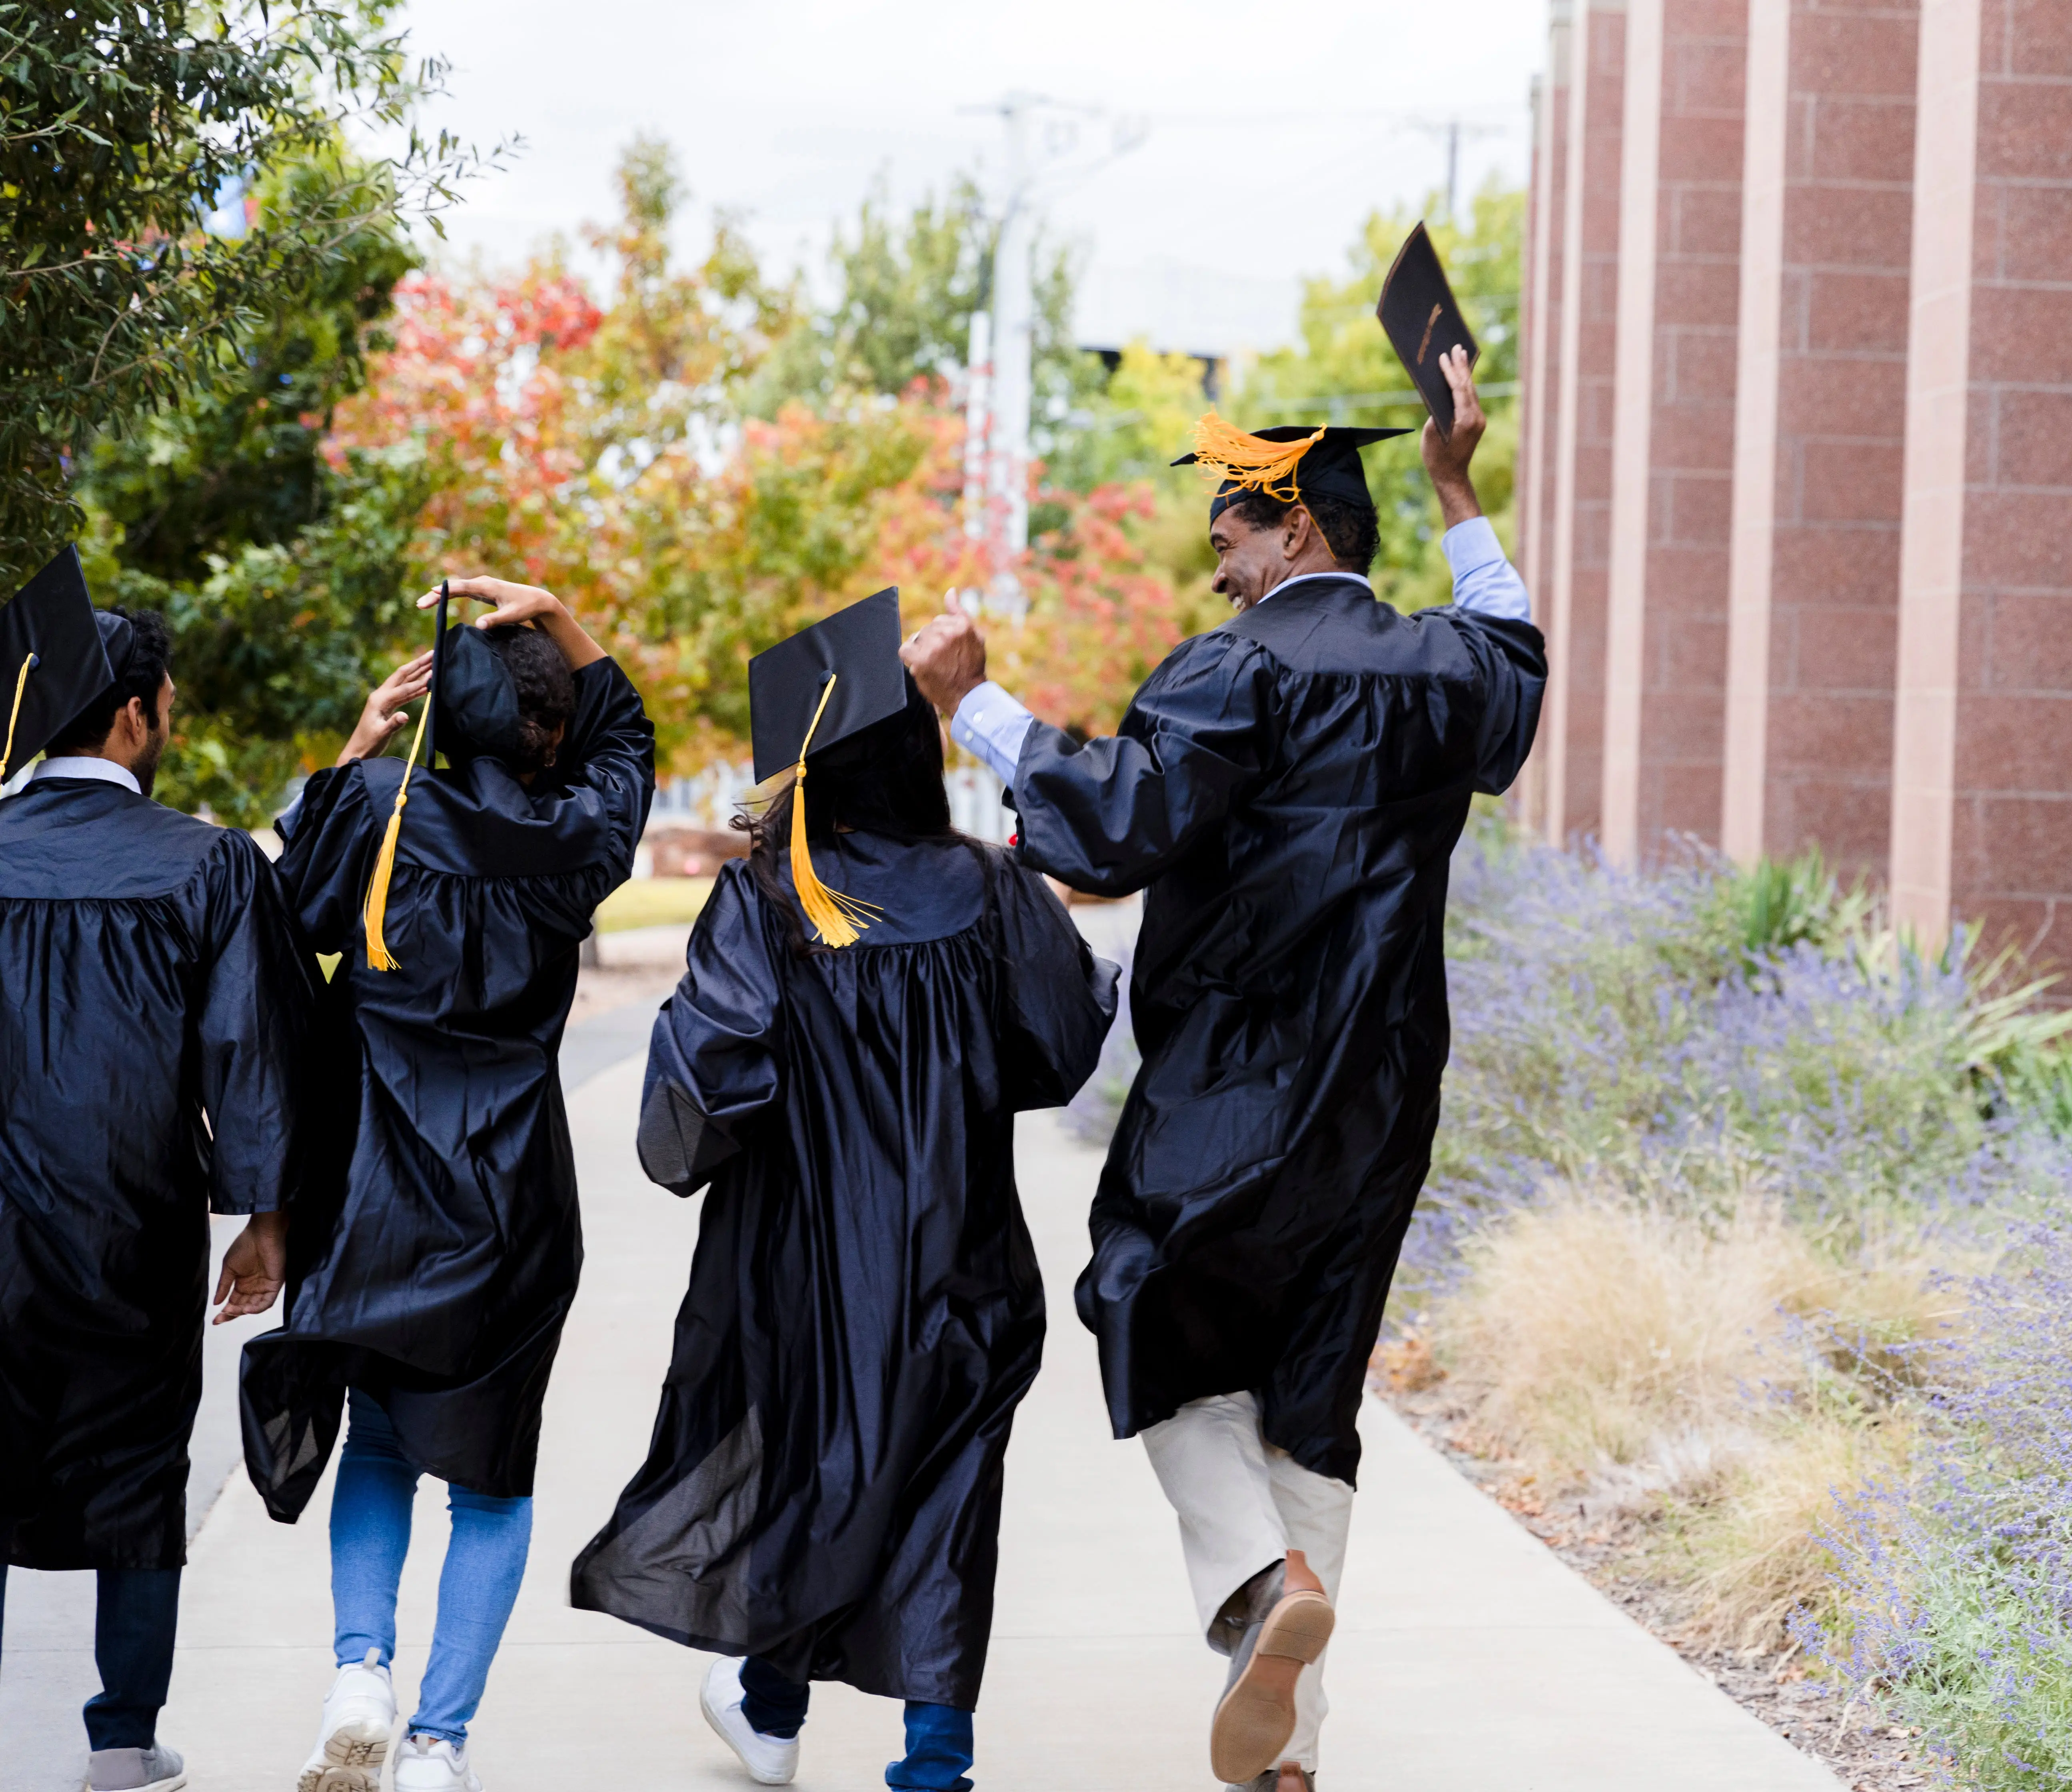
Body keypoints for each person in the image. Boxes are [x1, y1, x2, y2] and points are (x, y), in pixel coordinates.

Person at [902, 348, 1545, 1790]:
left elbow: (1117, 828)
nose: (1218, 575)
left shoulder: (1238, 668)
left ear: (1294, 527)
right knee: (1311, 1391)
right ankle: (1286, 1761)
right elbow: (1516, 650)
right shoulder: (1447, 667)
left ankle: (1260, 1585)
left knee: (1145, 1295)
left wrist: (978, 709)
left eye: (1230, 539)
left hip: (1235, 1079)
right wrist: (1456, 487)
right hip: (1384, 1093)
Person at [571, 591, 1118, 1792]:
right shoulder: (991, 888)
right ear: (914, 754)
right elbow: (1063, 1046)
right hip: (965, 1256)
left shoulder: (769, 904)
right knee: (948, 1495)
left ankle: (770, 1701)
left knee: (819, 1465)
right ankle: (926, 1757)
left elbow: (705, 1091)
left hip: (806, 1262)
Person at [240, 576, 655, 1792]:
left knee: (377, 1441)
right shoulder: (573, 832)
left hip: (369, 1183)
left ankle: (360, 1671)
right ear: (549, 732)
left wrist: (360, 751)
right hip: (510, 1193)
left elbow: (279, 914)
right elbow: (628, 737)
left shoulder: (373, 806)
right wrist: (560, 613)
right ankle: (436, 1745)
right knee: (491, 1477)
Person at [0, 550, 318, 1792]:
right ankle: (121, 1742)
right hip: (131, 1220)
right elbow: (251, 1048)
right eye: (168, 708)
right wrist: (267, 1218)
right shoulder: (203, 865)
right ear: (133, 716)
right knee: (139, 1464)